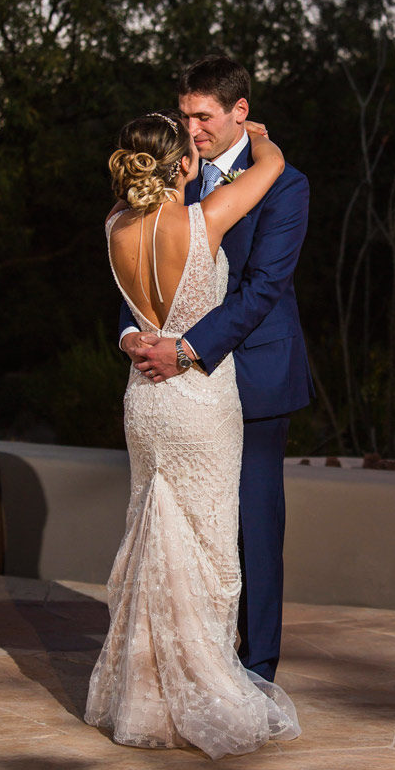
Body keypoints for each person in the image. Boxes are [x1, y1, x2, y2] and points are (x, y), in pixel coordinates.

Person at [85, 110, 300, 757]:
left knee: (150, 539)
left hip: (143, 402)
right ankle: (203, 694)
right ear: (182, 166)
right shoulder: (206, 220)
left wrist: (134, 337)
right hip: (201, 400)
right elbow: (274, 167)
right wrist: (257, 134)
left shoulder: (113, 225)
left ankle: (146, 695)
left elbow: (128, 307)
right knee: (209, 553)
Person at [119, 55, 314, 685]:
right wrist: (131, 334)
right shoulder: (170, 173)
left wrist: (186, 348)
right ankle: (182, 663)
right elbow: (127, 266)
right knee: (175, 525)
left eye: (203, 116)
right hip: (168, 387)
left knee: (251, 529)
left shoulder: (284, 186)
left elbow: (261, 290)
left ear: (240, 113)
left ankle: (254, 672)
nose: (191, 128)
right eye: (184, 115)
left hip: (251, 373)